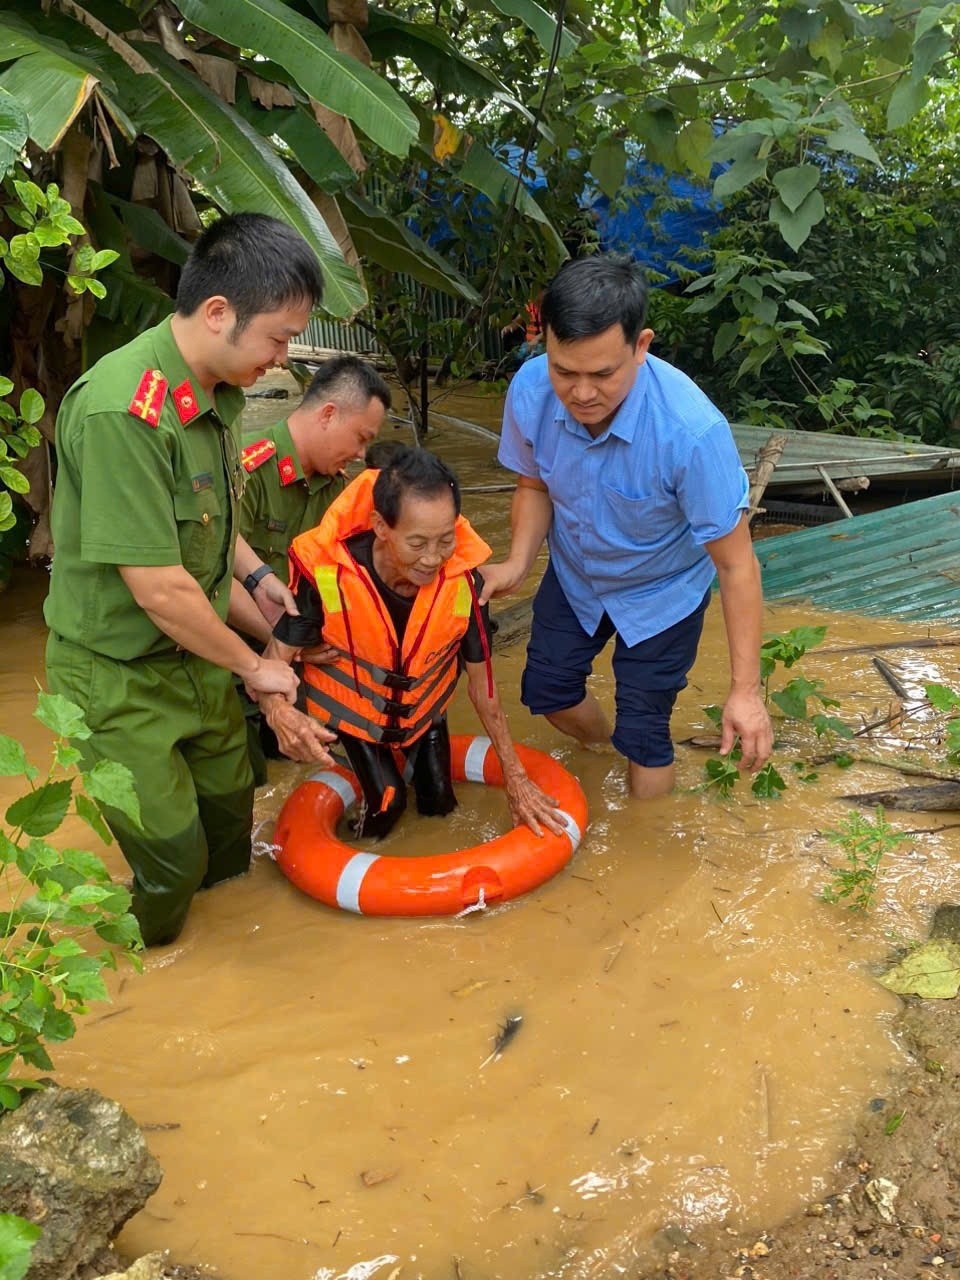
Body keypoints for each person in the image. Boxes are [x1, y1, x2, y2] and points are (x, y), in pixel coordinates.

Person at [43, 212, 324, 946]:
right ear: (219, 312)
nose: (283, 357)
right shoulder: (123, 411)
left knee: (233, 814)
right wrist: (257, 672)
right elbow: (160, 587)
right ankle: (143, 972)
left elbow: (203, 523)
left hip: (192, 655)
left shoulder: (217, 394)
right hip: (120, 671)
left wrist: (258, 574)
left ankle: (225, 956)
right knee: (171, 858)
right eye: (279, 337)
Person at [478, 253, 773, 800]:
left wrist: (744, 691)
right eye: (565, 370)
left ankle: (648, 847)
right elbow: (534, 484)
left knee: (646, 735)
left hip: (663, 592)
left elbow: (735, 566)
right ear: (543, 342)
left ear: (641, 347)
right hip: (578, 576)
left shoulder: (691, 432)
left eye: (603, 374)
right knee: (547, 690)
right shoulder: (529, 391)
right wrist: (517, 563)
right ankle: (603, 748)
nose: (582, 393)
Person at [257, 446, 563, 839]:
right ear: (381, 527)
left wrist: (516, 776)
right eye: (417, 544)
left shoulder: (466, 584)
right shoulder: (330, 576)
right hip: (355, 714)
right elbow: (272, 660)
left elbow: (484, 691)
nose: (433, 559)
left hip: (423, 709)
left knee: (440, 806)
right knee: (387, 803)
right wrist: (277, 710)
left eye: (445, 541)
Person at [231, 357, 391, 781]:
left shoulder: (342, 494)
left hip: (303, 662)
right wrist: (289, 644)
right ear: (328, 414)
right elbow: (209, 581)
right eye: (360, 439)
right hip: (231, 662)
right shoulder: (244, 471)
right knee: (247, 782)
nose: (360, 455)